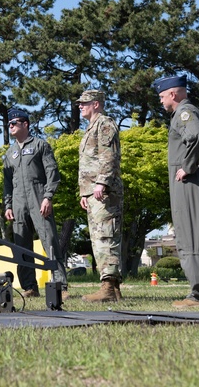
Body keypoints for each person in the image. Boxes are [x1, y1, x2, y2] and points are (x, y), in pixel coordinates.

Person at [154, 74, 199, 308]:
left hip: (190, 183)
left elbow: (197, 137)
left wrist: (188, 167)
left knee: (191, 238)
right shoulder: (197, 114)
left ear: (173, 94)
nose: (161, 101)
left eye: (162, 96)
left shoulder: (184, 114)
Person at [2, 107, 69, 297]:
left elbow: (52, 173)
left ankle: (60, 286)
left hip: (38, 197)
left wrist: (48, 197)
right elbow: (7, 182)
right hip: (18, 202)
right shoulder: (10, 153)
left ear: (25, 124)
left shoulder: (40, 145)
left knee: (49, 241)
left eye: (14, 123)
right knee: (21, 245)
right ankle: (30, 287)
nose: (11, 127)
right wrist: (8, 205)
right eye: (9, 124)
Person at [76, 88, 122, 302]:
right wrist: (85, 192)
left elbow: (108, 157)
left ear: (96, 104)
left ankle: (109, 288)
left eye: (84, 103)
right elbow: (89, 163)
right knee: (98, 237)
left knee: (106, 236)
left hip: (104, 191)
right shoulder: (91, 127)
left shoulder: (104, 124)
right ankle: (113, 288)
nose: (80, 106)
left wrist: (101, 183)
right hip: (93, 192)